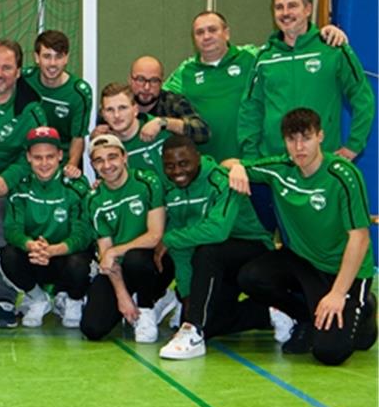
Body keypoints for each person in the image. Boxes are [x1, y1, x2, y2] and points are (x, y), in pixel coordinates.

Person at [229, 108, 378, 366]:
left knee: (330, 353)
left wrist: (337, 294)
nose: (299, 148)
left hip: (345, 271)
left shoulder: (342, 176)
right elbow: (228, 163)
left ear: (320, 136)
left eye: (306, 138)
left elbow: (360, 238)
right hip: (304, 262)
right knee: (251, 277)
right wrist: (237, 168)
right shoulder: (280, 169)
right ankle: (307, 316)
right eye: (291, 140)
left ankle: (363, 309)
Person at [154, 136, 286, 360]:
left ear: (198, 157)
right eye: (170, 166)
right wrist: (188, 298)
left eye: (184, 163)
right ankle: (268, 313)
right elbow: (181, 249)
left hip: (252, 251)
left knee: (208, 249)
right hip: (216, 266)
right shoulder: (171, 190)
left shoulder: (222, 180)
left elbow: (217, 231)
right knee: (211, 323)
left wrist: (168, 238)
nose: (177, 171)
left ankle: (193, 331)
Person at [164, 10, 348, 161]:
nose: (206, 36)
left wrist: (324, 33)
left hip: (253, 161)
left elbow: (289, 50)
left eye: (212, 30)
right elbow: (157, 98)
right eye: (200, 32)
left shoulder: (253, 56)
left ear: (226, 33)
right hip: (208, 167)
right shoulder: (185, 71)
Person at [238, 0, 373, 164]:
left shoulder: (333, 49)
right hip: (276, 163)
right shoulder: (264, 58)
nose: (285, 13)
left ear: (308, 9)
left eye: (292, 6)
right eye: (279, 8)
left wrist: (354, 146)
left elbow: (363, 98)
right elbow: (250, 109)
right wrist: (251, 158)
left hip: (321, 161)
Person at [0, 38, 48, 328]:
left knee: (1, 238)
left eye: (7, 67)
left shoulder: (31, 110)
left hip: (3, 180)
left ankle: (4, 299)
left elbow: (35, 154)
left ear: (18, 72)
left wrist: (9, 178)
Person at [0, 127, 94, 329]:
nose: (44, 163)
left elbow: (83, 234)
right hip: (36, 257)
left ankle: (73, 300)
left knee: (81, 261)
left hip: (64, 257)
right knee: (7, 255)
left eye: (50, 157)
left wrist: (54, 250)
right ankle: (38, 299)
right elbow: (12, 230)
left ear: (60, 155)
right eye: (38, 157)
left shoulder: (76, 186)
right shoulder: (20, 187)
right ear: (28, 158)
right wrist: (31, 245)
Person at [81, 134, 174, 343]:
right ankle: (140, 299)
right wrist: (121, 296)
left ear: (125, 157)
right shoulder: (93, 200)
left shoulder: (147, 182)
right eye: (99, 160)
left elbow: (154, 235)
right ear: (93, 165)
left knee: (136, 258)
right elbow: (106, 253)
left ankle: (147, 308)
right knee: (92, 329)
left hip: (153, 262)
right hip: (119, 269)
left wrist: (114, 251)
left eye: (112, 157)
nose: (107, 165)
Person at [93, 56, 208, 146]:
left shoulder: (173, 103)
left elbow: (203, 133)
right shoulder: (114, 105)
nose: (147, 87)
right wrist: (96, 137)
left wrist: (164, 123)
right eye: (140, 79)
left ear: (162, 83)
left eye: (154, 81)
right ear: (130, 80)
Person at [22, 30, 91, 176]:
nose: (53, 64)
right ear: (36, 57)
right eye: (47, 56)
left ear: (66, 58)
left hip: (60, 162)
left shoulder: (79, 93)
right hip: (26, 160)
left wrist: (71, 166)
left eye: (58, 57)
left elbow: (77, 138)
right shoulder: (24, 79)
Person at [98, 82, 169, 180]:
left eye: (122, 108)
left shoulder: (160, 131)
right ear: (103, 115)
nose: (117, 115)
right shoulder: (105, 149)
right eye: (110, 110)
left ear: (135, 109)